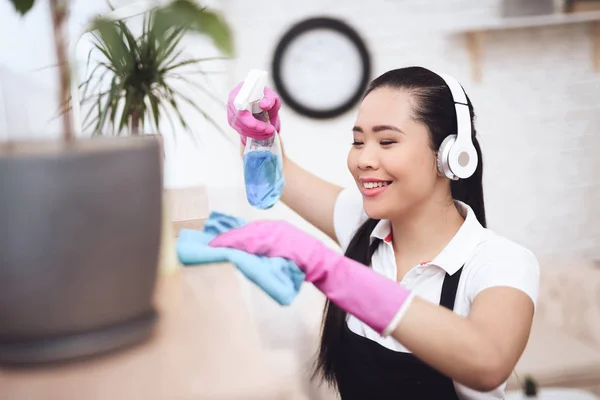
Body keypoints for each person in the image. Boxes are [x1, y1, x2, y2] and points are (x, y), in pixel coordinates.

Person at [211, 66, 540, 400]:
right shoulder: (364, 227)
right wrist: (260, 136)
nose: (363, 159)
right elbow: (280, 178)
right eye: (357, 141)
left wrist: (333, 271)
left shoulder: (500, 262)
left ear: (451, 156)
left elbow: (489, 362)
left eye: (387, 141)